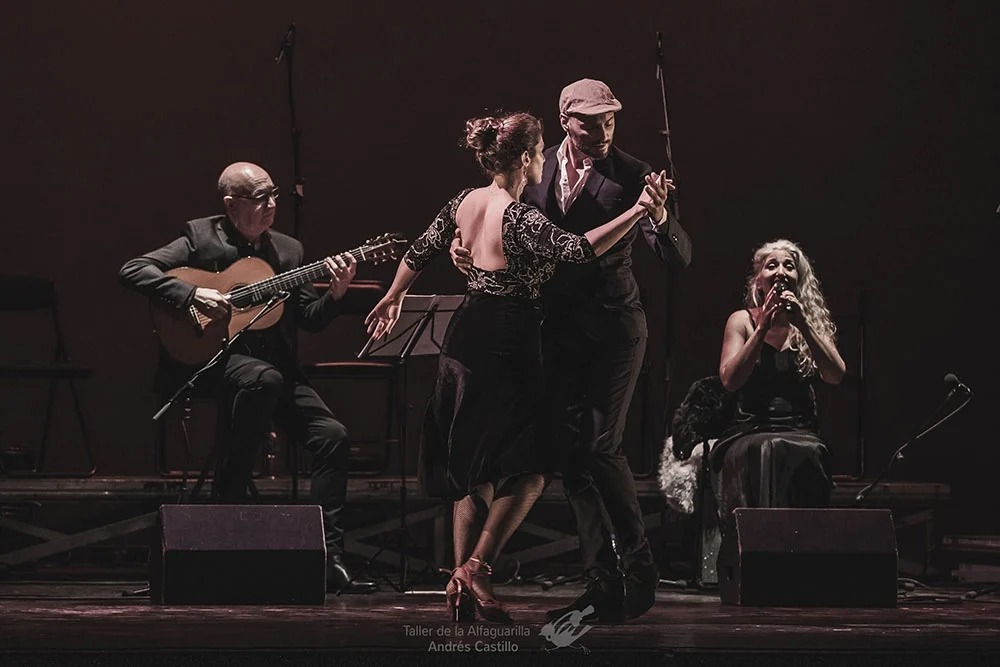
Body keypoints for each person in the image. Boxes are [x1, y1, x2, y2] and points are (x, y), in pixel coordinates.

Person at [366, 111, 671, 623]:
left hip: (464, 339)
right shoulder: (518, 216)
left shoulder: (464, 201)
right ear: (527, 158)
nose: (544, 160)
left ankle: (463, 584)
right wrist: (639, 210)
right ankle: (477, 568)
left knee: (473, 469)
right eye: (540, 151)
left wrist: (394, 296)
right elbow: (579, 249)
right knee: (531, 469)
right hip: (508, 343)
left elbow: (420, 250)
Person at [451, 78, 692, 622]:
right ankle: (600, 580)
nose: (603, 131)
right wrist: (464, 252)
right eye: (590, 122)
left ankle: (640, 569)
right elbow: (497, 224)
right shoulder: (533, 169)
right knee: (571, 458)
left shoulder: (633, 174)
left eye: (610, 120)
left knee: (599, 446)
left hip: (613, 329)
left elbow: (676, 255)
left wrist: (657, 217)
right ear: (565, 121)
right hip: (551, 332)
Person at [118, 161, 377, 595]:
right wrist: (193, 293)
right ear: (231, 204)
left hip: (273, 369)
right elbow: (134, 269)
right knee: (263, 379)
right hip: (209, 362)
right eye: (260, 197)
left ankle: (330, 558)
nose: (272, 204)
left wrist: (335, 295)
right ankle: (229, 500)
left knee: (332, 436)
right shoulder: (200, 237)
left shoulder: (288, 251)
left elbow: (309, 319)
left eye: (274, 194)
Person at [711, 238, 846, 533]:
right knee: (768, 449)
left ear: (799, 279)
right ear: (758, 281)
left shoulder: (808, 324)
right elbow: (730, 380)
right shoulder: (742, 321)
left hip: (800, 431)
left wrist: (804, 324)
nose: (781, 271)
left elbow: (836, 375)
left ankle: (802, 543)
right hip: (749, 430)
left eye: (789, 266)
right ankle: (760, 541)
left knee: (806, 451)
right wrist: (762, 328)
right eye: (772, 265)